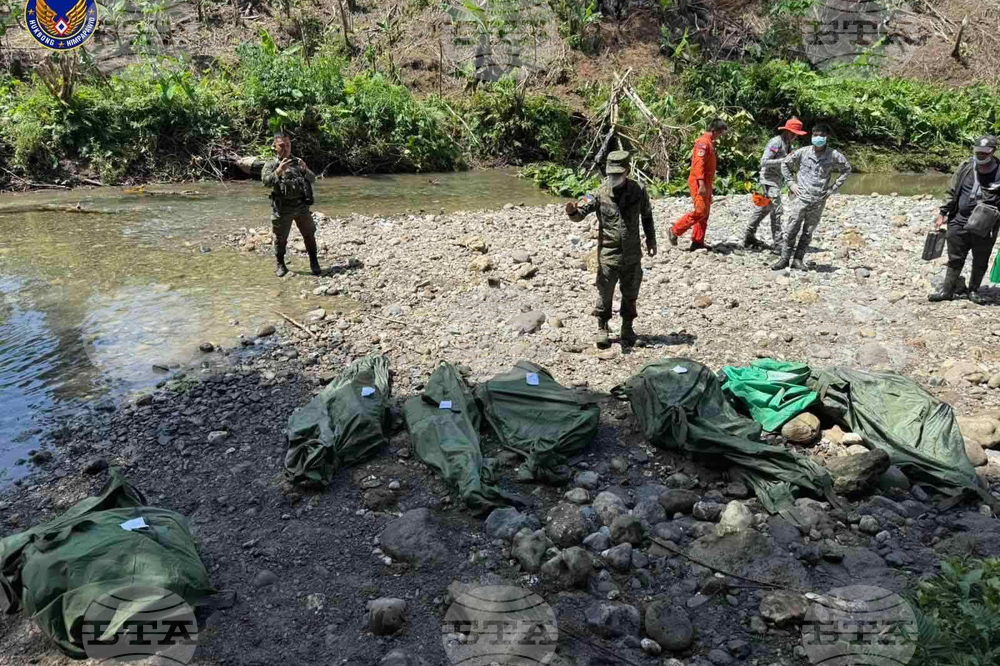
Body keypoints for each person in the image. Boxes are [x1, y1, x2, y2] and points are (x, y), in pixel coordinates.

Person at [566, 150, 656, 348]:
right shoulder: (599, 193)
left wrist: (651, 241)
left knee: (631, 292)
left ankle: (627, 329)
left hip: (632, 253)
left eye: (618, 175)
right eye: (611, 174)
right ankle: (602, 328)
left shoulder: (638, 190)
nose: (614, 178)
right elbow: (580, 213)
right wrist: (572, 211)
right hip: (608, 253)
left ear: (627, 172)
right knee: (605, 292)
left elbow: (647, 217)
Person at [929, 135, 1000, 304]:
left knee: (981, 258)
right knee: (955, 256)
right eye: (978, 152)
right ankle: (947, 290)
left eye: (985, 153)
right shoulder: (966, 167)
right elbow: (952, 191)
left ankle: (973, 290)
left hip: (986, 225)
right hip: (959, 220)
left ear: (993, 152)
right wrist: (942, 213)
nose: (981, 155)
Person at [772, 124, 852, 271]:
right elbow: (785, 164)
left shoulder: (834, 155)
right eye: (814, 135)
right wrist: (790, 183)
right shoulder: (802, 152)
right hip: (801, 198)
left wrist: (832, 189)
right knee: (791, 228)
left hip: (819, 200)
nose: (817, 138)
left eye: (820, 136)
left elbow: (847, 169)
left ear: (827, 137)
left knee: (808, 232)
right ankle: (784, 259)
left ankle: (798, 260)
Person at [742, 118, 807, 252]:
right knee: (777, 210)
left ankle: (749, 235)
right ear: (787, 131)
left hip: (777, 181)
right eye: (793, 133)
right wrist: (783, 160)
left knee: (764, 209)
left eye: (797, 134)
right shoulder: (776, 142)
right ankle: (778, 242)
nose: (795, 136)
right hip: (768, 181)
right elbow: (764, 162)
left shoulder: (788, 144)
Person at [261, 131, 321, 278]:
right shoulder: (271, 164)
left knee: (309, 235)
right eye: (282, 145)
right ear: (274, 146)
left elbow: (313, 179)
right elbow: (265, 182)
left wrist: (305, 170)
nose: (286, 148)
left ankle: (314, 262)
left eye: (288, 145)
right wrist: (279, 171)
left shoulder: (298, 161)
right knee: (280, 238)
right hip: (283, 208)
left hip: (302, 207)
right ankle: (280, 264)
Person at [668, 118, 728, 251]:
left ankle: (697, 241)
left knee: (705, 213)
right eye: (720, 133)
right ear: (714, 131)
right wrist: (701, 184)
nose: (720, 137)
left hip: (706, 183)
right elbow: (698, 165)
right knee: (700, 211)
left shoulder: (709, 143)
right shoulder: (703, 143)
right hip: (699, 182)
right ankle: (675, 230)